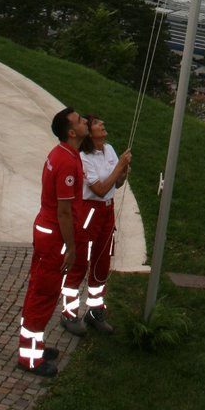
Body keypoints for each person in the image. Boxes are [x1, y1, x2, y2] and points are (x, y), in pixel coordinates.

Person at [17, 106, 89, 377]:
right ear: (72, 132)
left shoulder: (62, 153)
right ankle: (30, 358)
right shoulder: (68, 162)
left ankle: (35, 344)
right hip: (55, 237)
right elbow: (64, 211)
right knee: (44, 295)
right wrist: (71, 248)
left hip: (46, 230)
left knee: (38, 289)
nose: (85, 122)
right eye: (80, 120)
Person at [60, 115, 131, 335]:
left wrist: (123, 171)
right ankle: (69, 313)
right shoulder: (83, 157)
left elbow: (115, 184)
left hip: (107, 210)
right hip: (90, 211)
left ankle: (95, 310)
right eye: (98, 123)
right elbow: (99, 189)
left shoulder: (108, 150)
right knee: (81, 261)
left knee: (102, 262)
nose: (103, 125)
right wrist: (119, 166)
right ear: (90, 133)